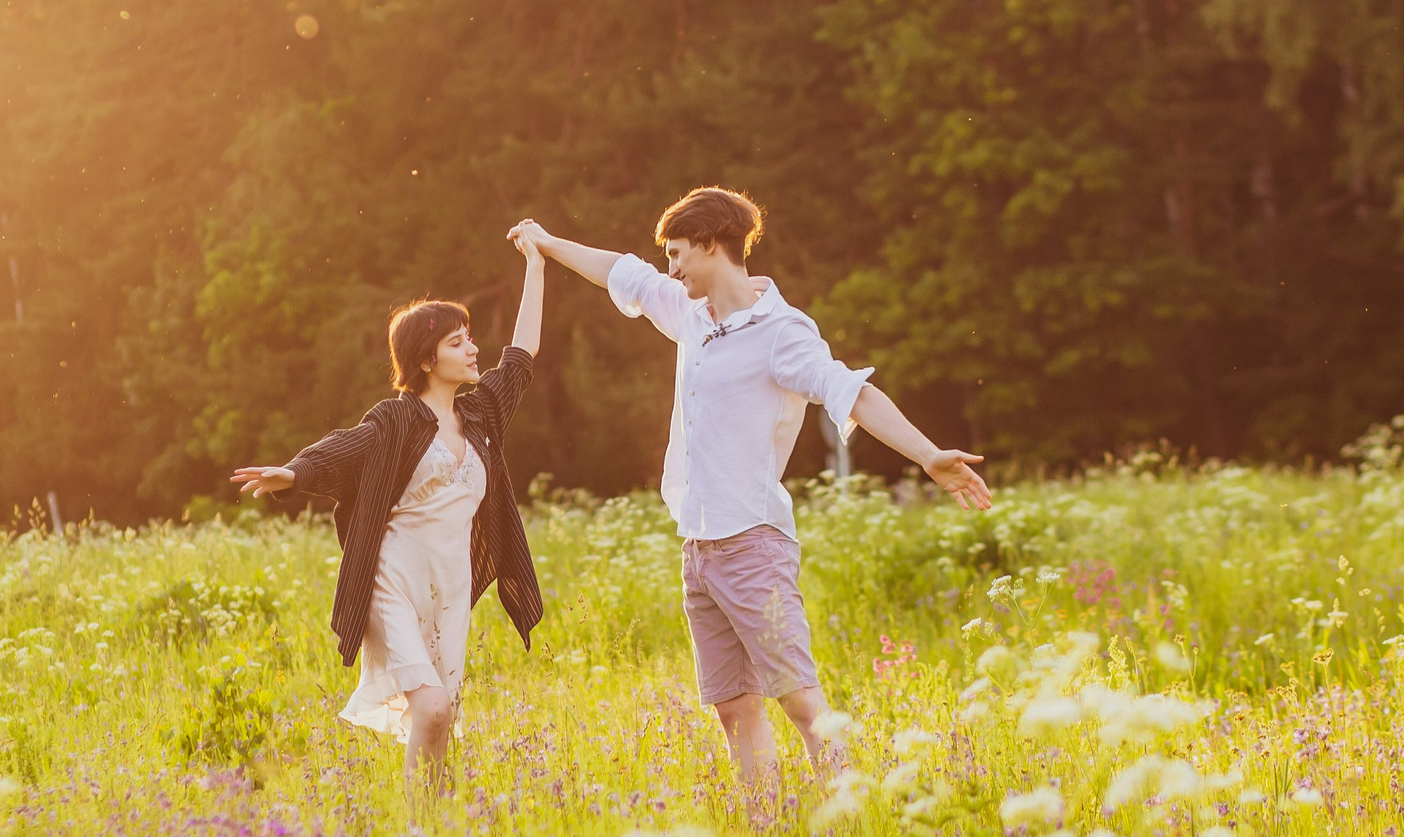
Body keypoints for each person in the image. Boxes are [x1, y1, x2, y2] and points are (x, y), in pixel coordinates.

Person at [507, 188, 991, 795]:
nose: (671, 267)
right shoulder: (691, 314)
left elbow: (852, 393)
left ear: (714, 245)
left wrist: (928, 455)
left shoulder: (781, 332)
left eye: (678, 253)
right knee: (734, 707)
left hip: (753, 543)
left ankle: (854, 813)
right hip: (699, 548)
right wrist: (547, 244)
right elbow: (619, 273)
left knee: (801, 702)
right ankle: (769, 827)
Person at [230, 232, 549, 793]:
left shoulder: (481, 415)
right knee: (429, 706)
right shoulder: (396, 421)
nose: (473, 350)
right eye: (458, 343)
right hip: (393, 580)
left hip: (449, 586)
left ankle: (429, 829)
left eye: (470, 339)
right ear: (427, 360)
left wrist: (537, 265)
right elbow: (345, 446)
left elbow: (520, 358)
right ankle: (418, 830)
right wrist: (294, 473)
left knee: (442, 713)